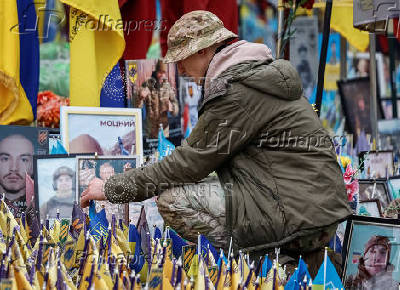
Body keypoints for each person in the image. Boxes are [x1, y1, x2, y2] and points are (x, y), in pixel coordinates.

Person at [80, 11, 351, 273]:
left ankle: (270, 267)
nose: (182, 70)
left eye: (183, 59)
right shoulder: (256, 75)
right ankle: (303, 260)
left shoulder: (236, 90)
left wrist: (112, 187)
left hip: (297, 213)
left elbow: (188, 164)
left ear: (203, 50)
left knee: (173, 199)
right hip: (315, 209)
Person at [0, 134, 34, 216]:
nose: (14, 168)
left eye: (24, 160)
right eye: (5, 159)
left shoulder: (42, 206)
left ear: (33, 165)